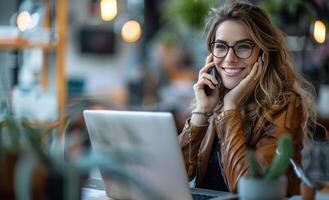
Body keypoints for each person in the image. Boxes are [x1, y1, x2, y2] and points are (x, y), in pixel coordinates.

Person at [178, 0, 319, 196]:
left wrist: (230, 108)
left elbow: (248, 189)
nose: (229, 58)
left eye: (243, 47)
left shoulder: (285, 105)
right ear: (211, 54)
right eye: (221, 46)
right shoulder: (211, 101)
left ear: (263, 53)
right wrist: (200, 113)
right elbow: (174, 177)